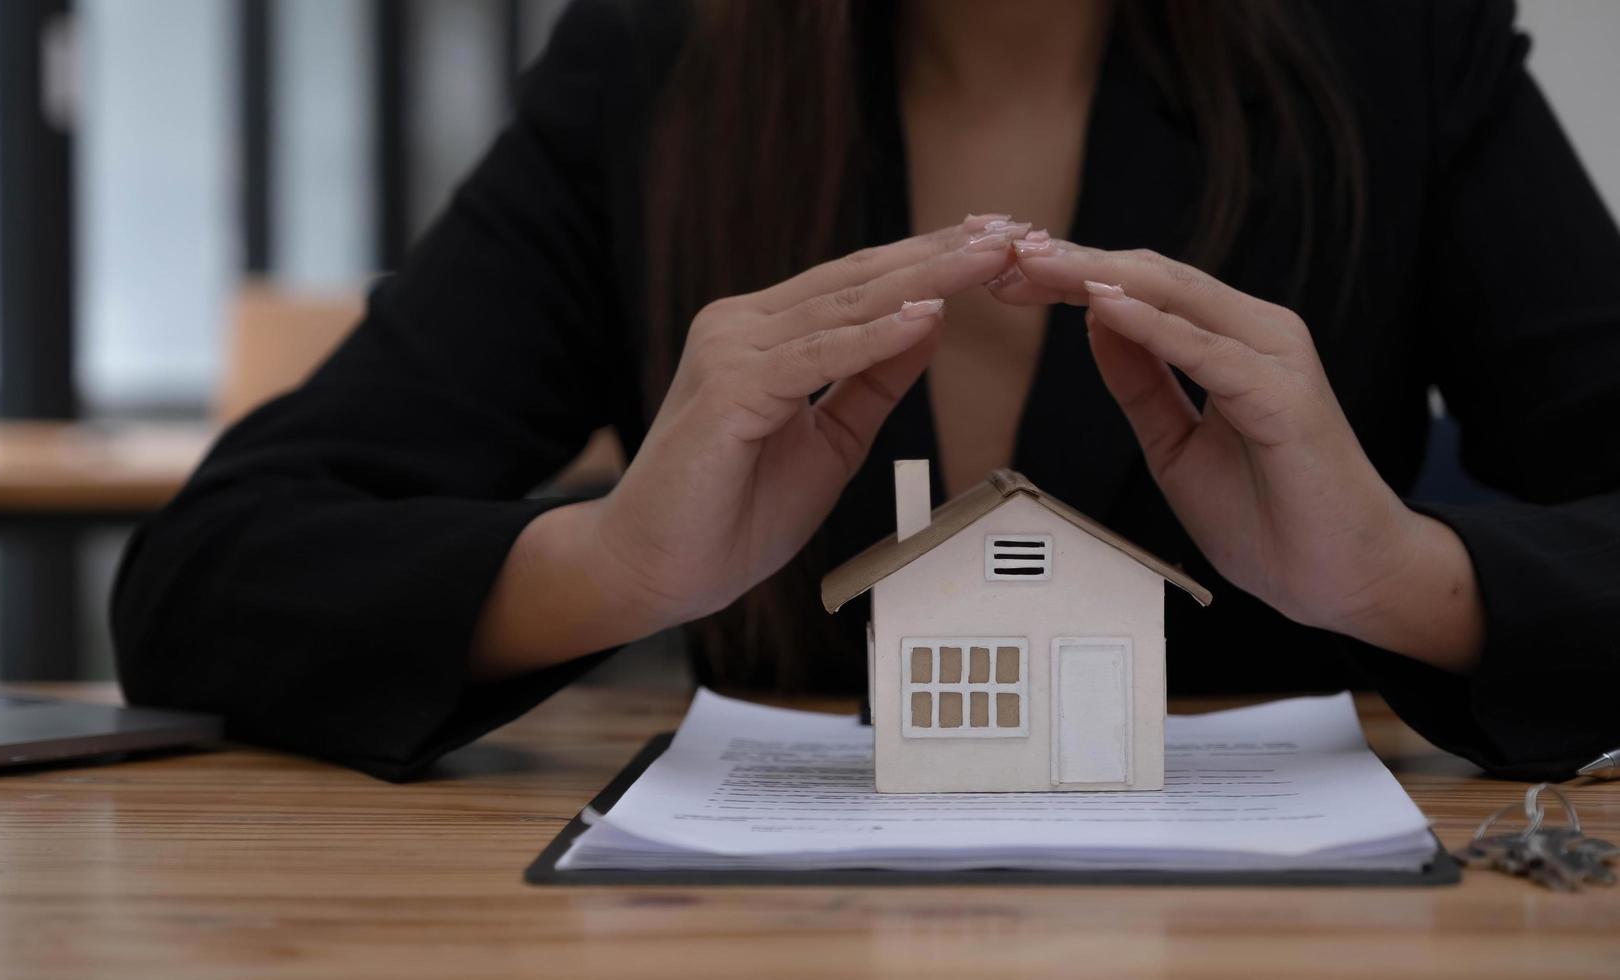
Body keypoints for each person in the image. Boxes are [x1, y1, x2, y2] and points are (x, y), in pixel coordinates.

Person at [112, 0, 1620, 781]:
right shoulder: (655, 67)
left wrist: (1402, 575)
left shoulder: (1398, 49)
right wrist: (611, 563)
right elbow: (206, 578)